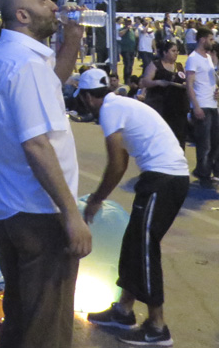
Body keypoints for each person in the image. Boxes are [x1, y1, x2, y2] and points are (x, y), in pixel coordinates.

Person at [0, 0, 91, 348]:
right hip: (40, 212)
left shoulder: (0, 56)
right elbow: (37, 146)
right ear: (23, 15)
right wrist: (71, 214)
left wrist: (71, 42)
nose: (54, 6)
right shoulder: (26, 64)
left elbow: (48, 88)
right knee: (47, 327)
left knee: (21, 318)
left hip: (10, 206)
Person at [79, 69, 189, 348]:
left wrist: (95, 199)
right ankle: (123, 310)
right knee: (133, 243)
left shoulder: (109, 111)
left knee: (144, 249)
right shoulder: (120, 104)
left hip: (164, 179)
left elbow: (117, 164)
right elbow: (124, 159)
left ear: (87, 97)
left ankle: (157, 326)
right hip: (161, 177)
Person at [185, 28, 219, 188]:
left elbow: (210, 81)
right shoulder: (193, 59)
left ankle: (203, 170)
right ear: (202, 40)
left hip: (212, 104)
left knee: (216, 142)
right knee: (204, 144)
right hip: (202, 105)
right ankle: (204, 176)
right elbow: (189, 84)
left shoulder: (208, 57)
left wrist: (217, 90)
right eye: (210, 39)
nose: (212, 42)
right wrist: (196, 106)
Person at [139, 39, 188, 148]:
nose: (176, 53)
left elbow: (184, 80)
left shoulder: (179, 66)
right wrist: (157, 82)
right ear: (165, 52)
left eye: (177, 51)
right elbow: (145, 81)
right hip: (160, 104)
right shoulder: (156, 65)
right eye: (173, 51)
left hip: (177, 105)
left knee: (179, 135)